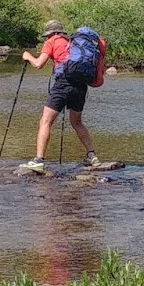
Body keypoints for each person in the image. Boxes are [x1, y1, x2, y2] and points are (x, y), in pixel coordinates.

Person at [21, 19, 106, 172]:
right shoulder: (71, 43)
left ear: (50, 33)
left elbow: (38, 64)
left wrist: (28, 56)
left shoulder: (52, 41)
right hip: (81, 86)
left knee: (45, 121)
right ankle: (92, 156)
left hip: (63, 85)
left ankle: (38, 160)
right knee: (77, 122)